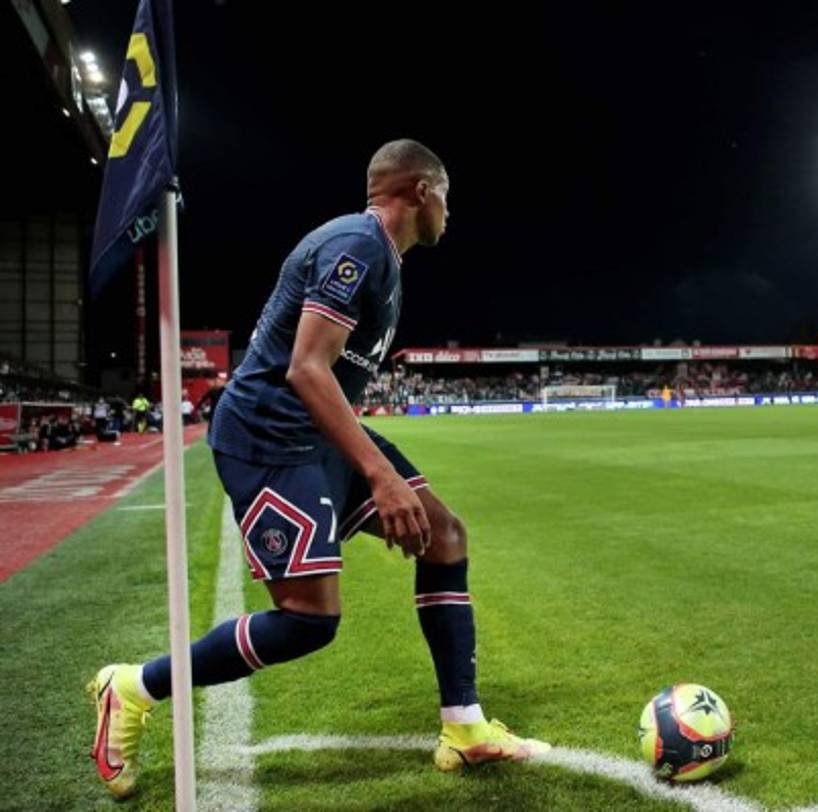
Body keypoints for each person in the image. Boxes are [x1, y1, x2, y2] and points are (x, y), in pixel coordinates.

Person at [88, 140, 548, 800]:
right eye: (446, 195)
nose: (450, 210)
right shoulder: (358, 245)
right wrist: (381, 476)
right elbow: (307, 367)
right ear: (420, 190)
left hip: (318, 434)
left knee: (443, 535)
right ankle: (131, 686)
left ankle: (466, 728)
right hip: (270, 437)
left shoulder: (378, 256)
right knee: (308, 622)